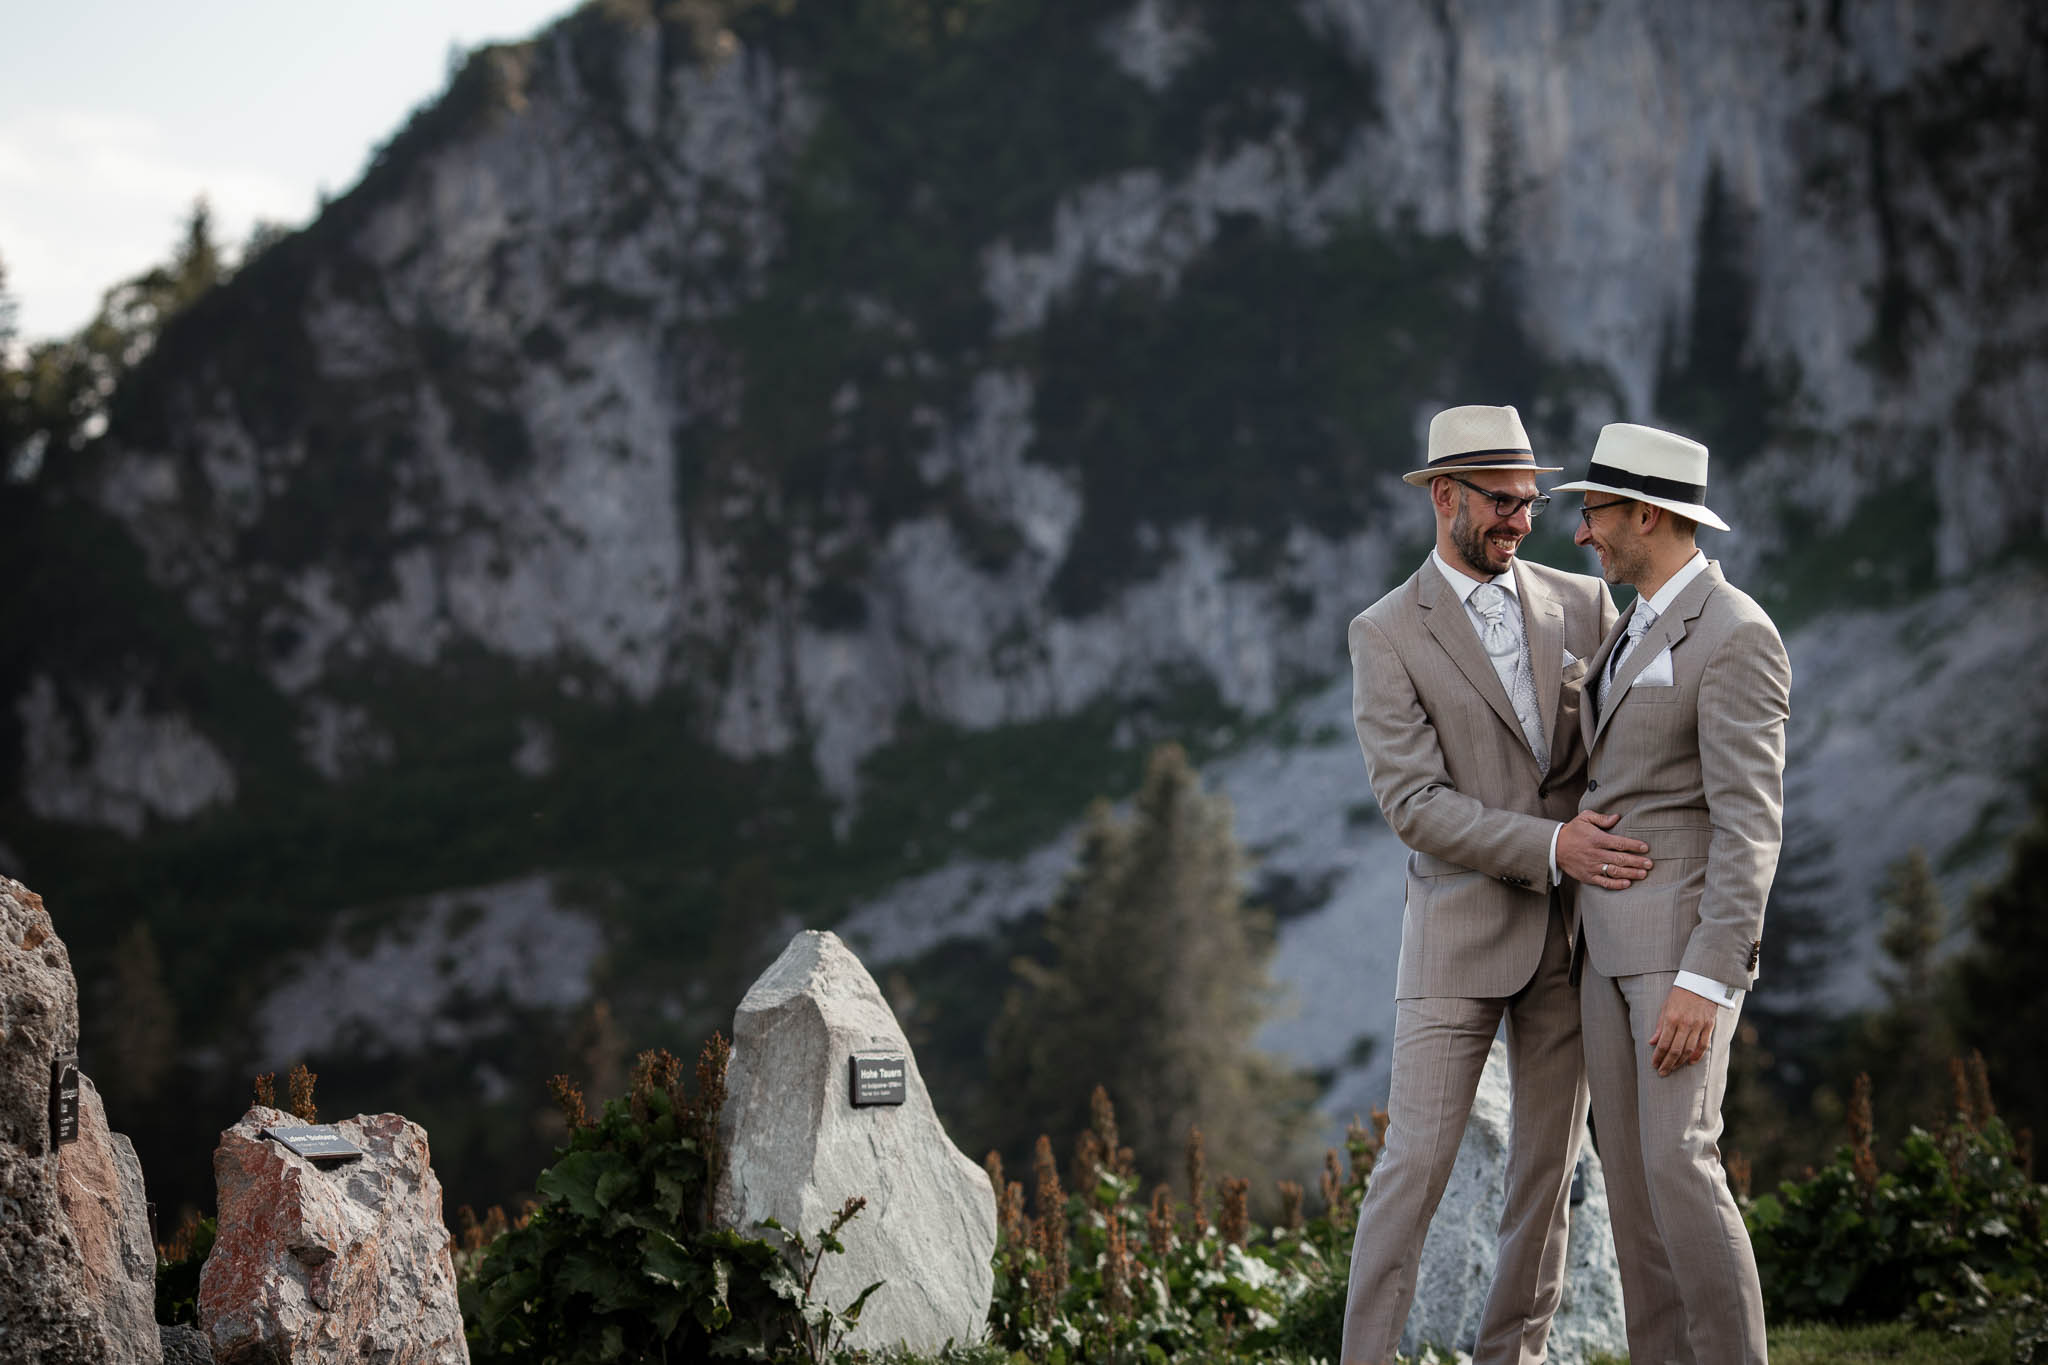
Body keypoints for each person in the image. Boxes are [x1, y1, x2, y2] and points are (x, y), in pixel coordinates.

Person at [1340, 404, 1653, 1365]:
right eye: (1503, 502)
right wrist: (1554, 845)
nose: (1524, 520)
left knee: (1546, 1180)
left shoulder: (1586, 604)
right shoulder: (1385, 631)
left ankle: (1508, 1358)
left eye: (1532, 500)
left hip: (1570, 943)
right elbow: (1414, 804)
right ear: (1445, 497)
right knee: (1414, 1167)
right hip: (1453, 933)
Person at [1553, 422, 1790, 1365]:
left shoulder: (1737, 635)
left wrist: (1710, 976)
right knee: (1632, 1184)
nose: (1583, 534)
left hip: (1678, 958)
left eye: (1595, 512)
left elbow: (1751, 824)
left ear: (1646, 513)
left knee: (1679, 1164)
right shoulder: (1633, 624)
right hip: (1600, 950)